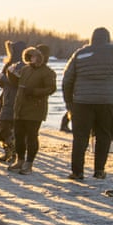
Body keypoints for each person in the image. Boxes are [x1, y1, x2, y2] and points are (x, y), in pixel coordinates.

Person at [61, 27, 113, 180]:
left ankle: (77, 172)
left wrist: (69, 101)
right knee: (104, 135)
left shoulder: (80, 54)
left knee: (80, 137)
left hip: (82, 102)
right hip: (107, 101)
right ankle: (99, 171)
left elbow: (67, 80)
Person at [8, 46, 57, 175]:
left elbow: (51, 88)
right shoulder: (25, 69)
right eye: (30, 56)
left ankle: (29, 163)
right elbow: (17, 84)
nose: (31, 59)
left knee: (31, 137)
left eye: (34, 56)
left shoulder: (47, 72)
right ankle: (20, 160)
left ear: (40, 57)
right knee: (19, 136)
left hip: (35, 109)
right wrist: (10, 74)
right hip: (20, 108)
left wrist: (34, 92)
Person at [0, 40, 27, 163]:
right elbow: (6, 85)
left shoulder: (22, 66)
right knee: (4, 128)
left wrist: (3, 77)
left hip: (15, 100)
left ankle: (14, 154)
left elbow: (18, 82)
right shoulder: (9, 63)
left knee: (11, 128)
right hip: (6, 99)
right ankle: (8, 152)